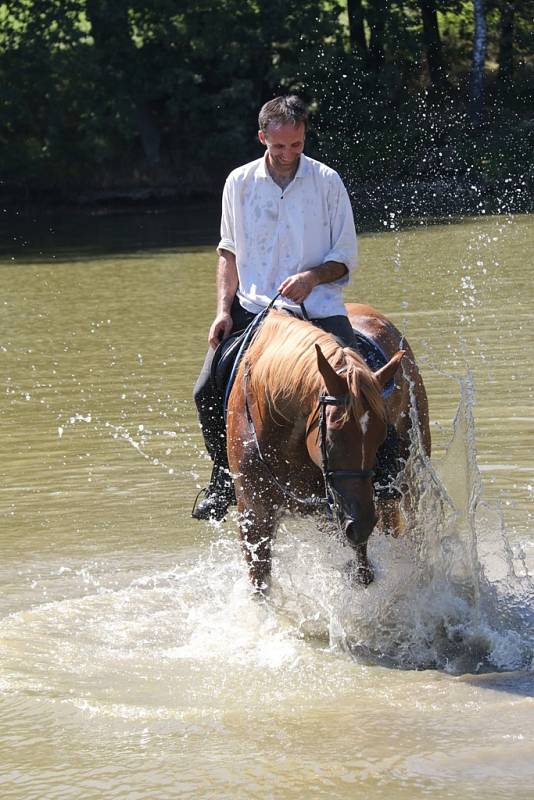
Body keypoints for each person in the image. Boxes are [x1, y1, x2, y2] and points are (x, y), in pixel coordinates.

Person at [192, 95, 358, 520]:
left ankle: (385, 468)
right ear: (262, 137)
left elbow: (345, 257)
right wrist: (222, 311)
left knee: (360, 387)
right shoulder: (239, 182)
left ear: (304, 137)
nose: (288, 155)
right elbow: (227, 253)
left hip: (318, 310)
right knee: (206, 388)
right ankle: (223, 477)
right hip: (257, 311)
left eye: (296, 145)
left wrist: (312, 277)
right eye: (279, 146)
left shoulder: (327, 181)